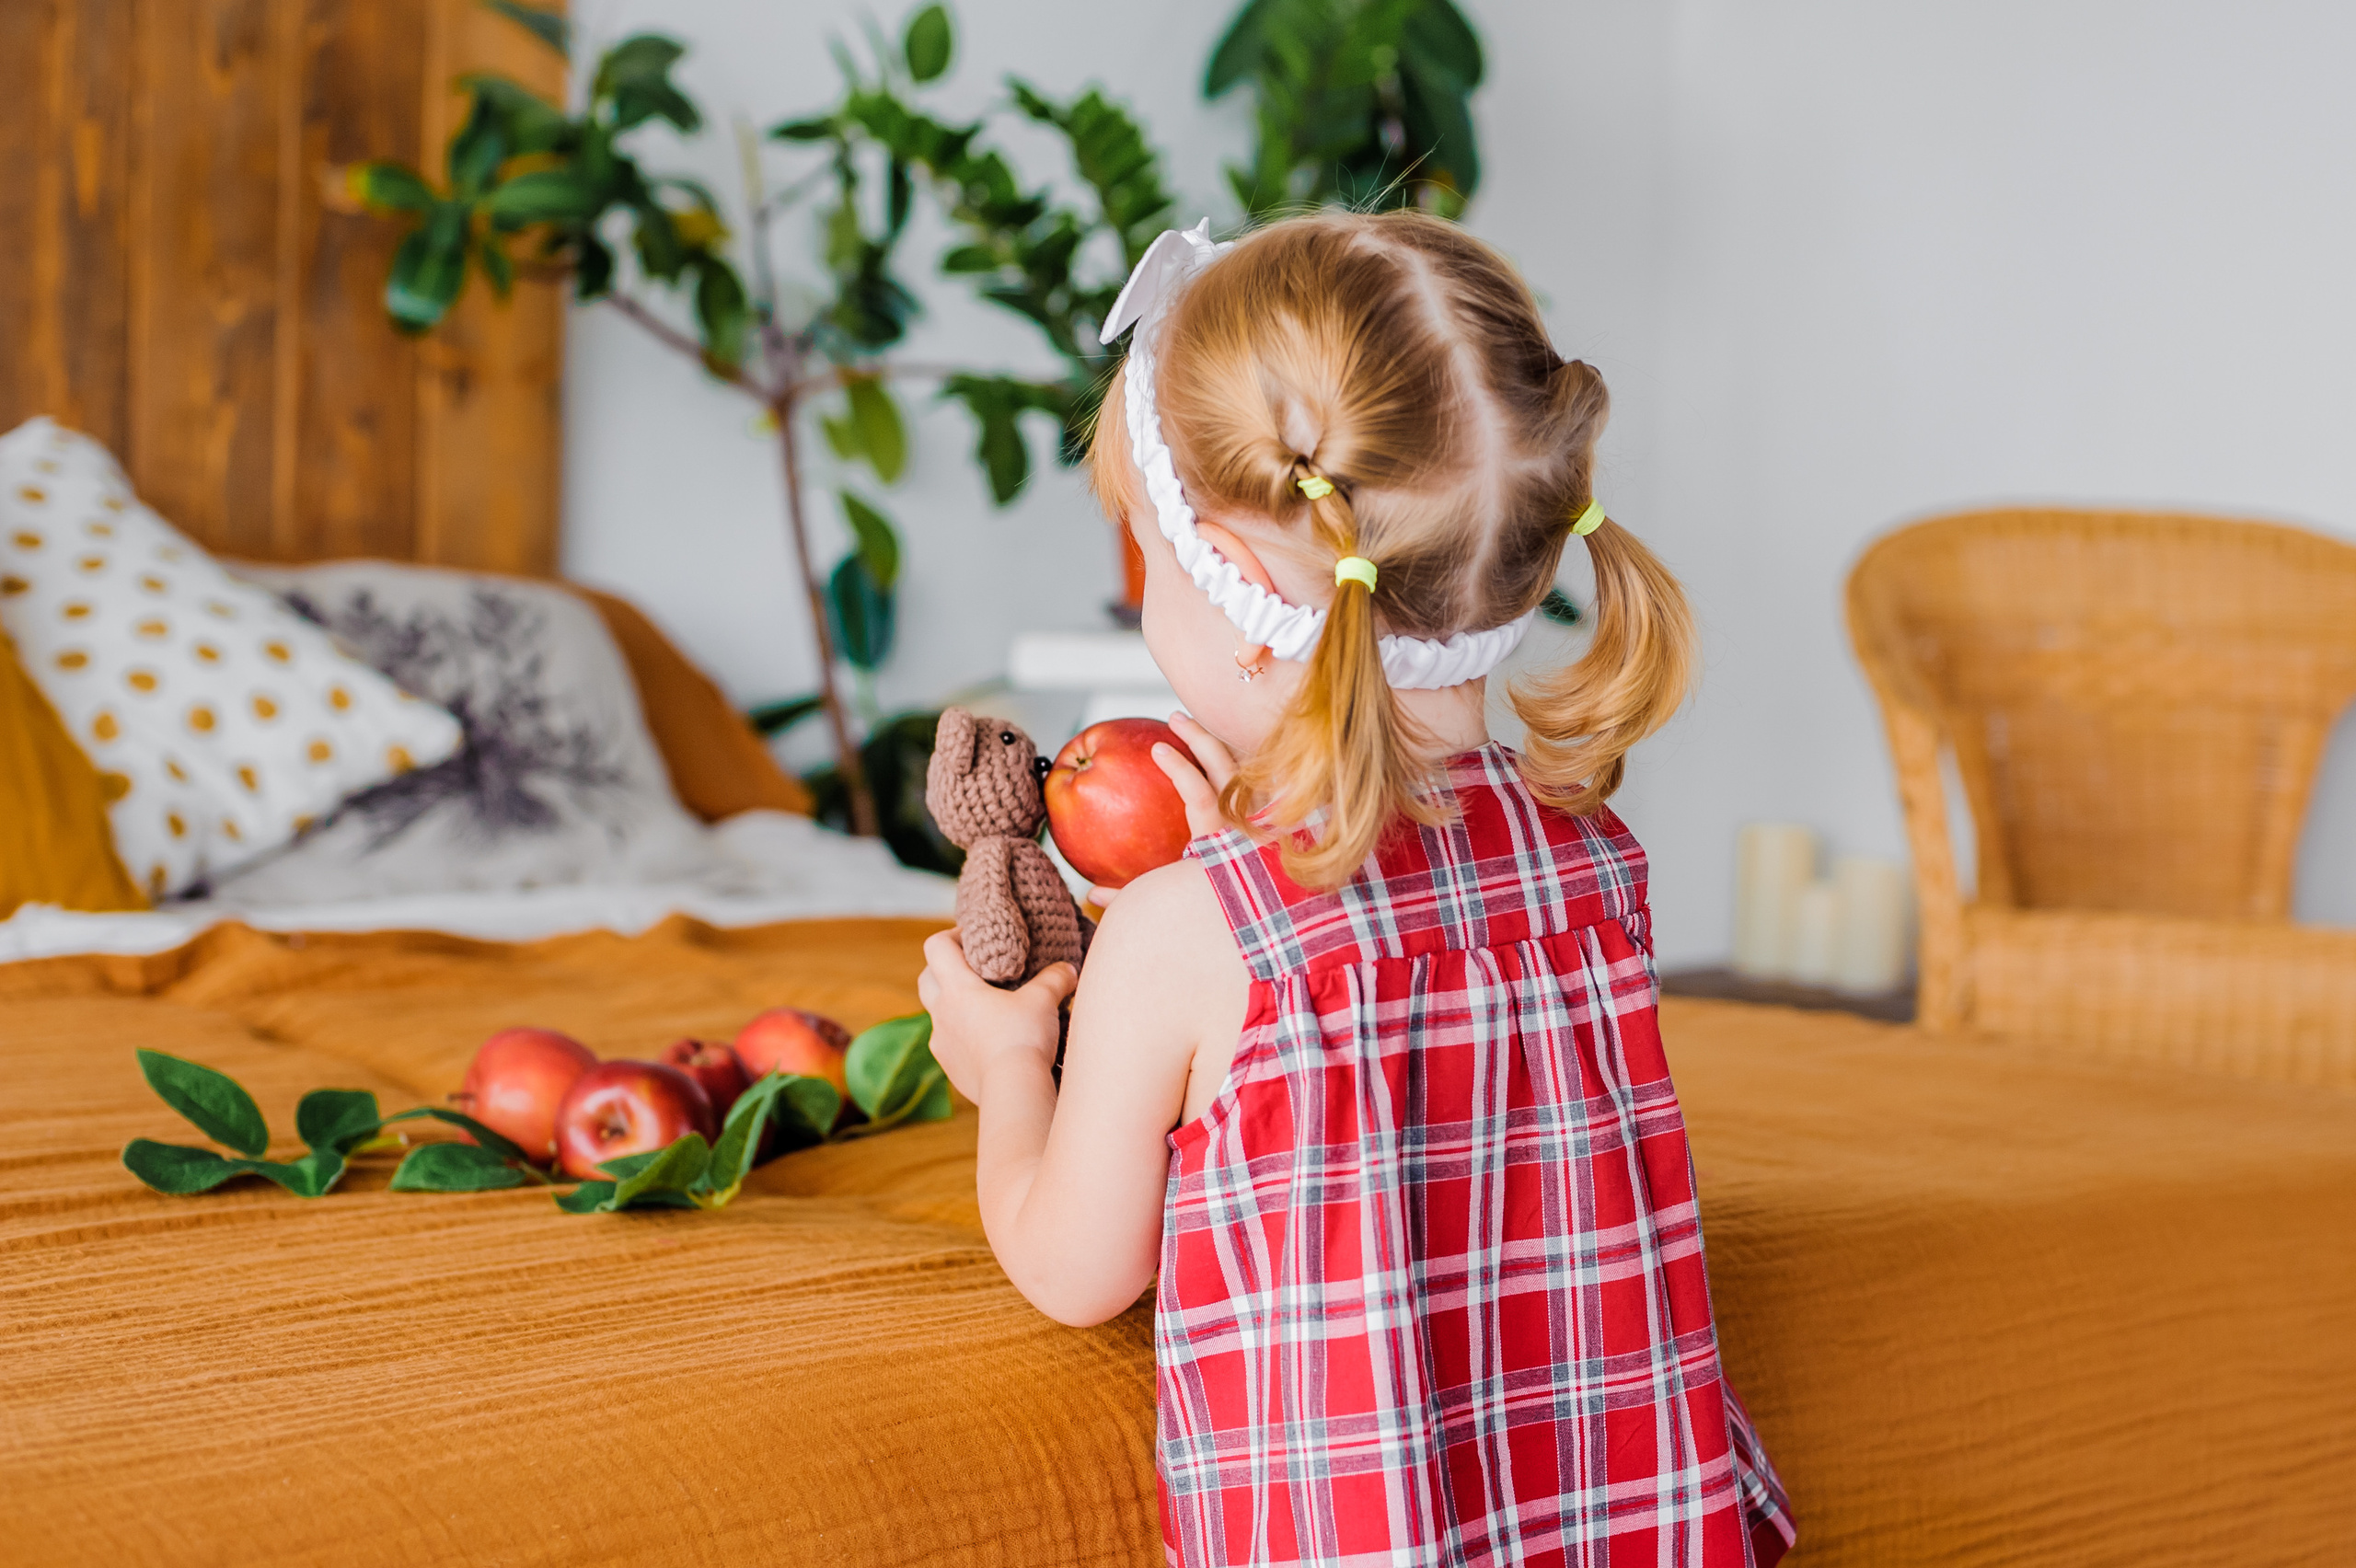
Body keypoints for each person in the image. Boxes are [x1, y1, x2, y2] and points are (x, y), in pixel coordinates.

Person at [918, 211, 1795, 1567]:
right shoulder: (1590, 864)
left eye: (1149, 557)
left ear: (1244, 587)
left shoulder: (1185, 935)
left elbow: (1075, 1267)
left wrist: (1010, 1059)